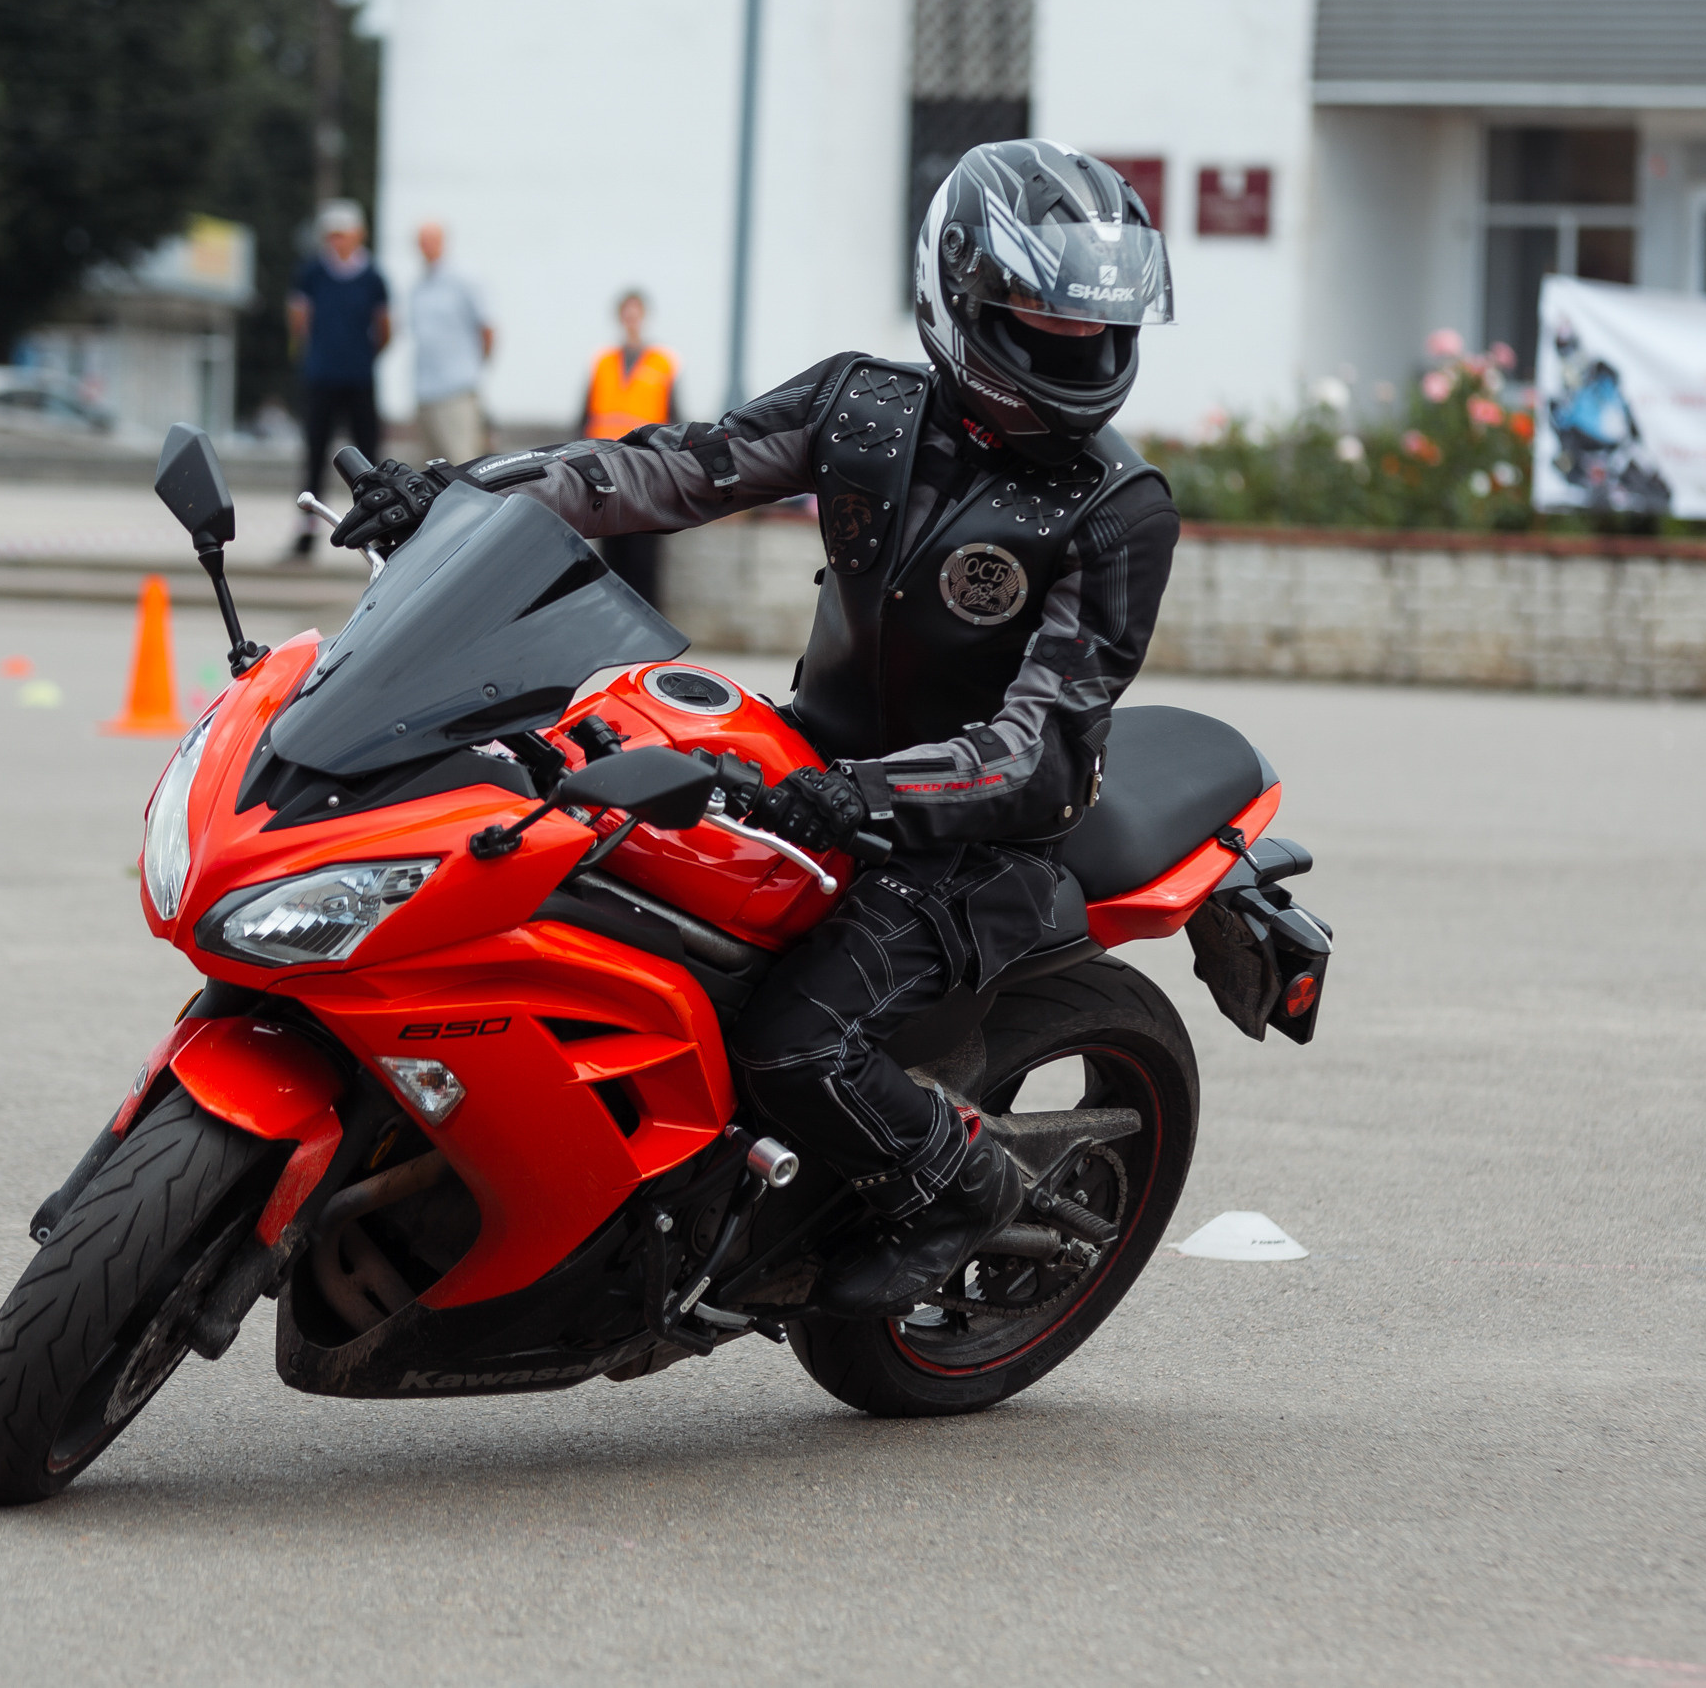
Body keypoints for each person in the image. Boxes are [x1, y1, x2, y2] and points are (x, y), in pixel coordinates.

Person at [333, 141, 1178, 1316]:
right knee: (556, 854)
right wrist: (461, 491)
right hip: (808, 762)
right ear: (961, 296)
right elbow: (660, 471)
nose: (1075, 350)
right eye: (1042, 321)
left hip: (970, 844)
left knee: (790, 1041)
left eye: (1094, 329)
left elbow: (1036, 747)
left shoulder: (1115, 508)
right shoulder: (863, 406)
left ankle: (958, 1184)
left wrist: (873, 796)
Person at [287, 199, 391, 560]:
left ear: (358, 235)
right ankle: (306, 533)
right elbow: (299, 318)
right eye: (332, 235)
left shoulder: (373, 276)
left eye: (342, 235)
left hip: (358, 377)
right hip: (322, 377)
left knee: (368, 459)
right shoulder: (312, 273)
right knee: (315, 456)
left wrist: (361, 354)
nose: (337, 242)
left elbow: (384, 326)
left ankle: (383, 529)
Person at [578, 289, 677, 605]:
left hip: (646, 471)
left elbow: (673, 419)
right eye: (626, 313)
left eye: (636, 313)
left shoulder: (663, 364)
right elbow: (585, 417)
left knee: (644, 553)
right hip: (605, 470)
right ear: (621, 317)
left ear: (643, 317)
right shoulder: (603, 363)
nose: (631, 320)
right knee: (612, 552)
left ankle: (649, 623)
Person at [408, 221, 493, 465]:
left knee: (462, 463)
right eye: (422, 241)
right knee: (430, 467)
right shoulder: (420, 285)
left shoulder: (464, 280)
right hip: (426, 390)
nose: (426, 247)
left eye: (431, 240)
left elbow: (487, 329)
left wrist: (472, 368)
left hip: (456, 390)